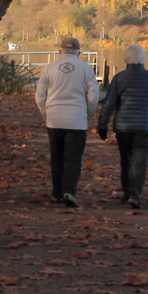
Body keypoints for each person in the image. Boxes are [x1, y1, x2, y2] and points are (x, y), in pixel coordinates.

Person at [96, 45, 148, 210]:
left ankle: (128, 192)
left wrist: (102, 125)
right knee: (139, 162)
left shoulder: (119, 79)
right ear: (143, 59)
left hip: (123, 127)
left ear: (125, 59)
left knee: (126, 160)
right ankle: (134, 194)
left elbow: (109, 104)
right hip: (144, 127)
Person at [35, 36, 99, 207]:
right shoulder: (86, 69)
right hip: (76, 120)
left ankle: (56, 193)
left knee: (56, 157)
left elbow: (40, 96)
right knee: (73, 158)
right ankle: (69, 191)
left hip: (54, 119)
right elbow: (93, 96)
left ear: (59, 51)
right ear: (79, 53)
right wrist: (87, 114)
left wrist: (46, 113)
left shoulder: (49, 68)